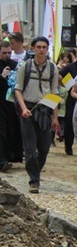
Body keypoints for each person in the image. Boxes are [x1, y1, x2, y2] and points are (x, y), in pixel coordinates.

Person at [14, 36, 60, 193]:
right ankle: (34, 180)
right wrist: (23, 109)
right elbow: (18, 89)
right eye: (39, 47)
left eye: (44, 47)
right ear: (33, 48)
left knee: (45, 147)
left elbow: (54, 93)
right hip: (28, 108)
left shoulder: (53, 68)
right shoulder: (25, 67)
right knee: (30, 148)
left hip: (45, 109)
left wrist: (55, 117)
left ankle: (35, 171)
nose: (41, 50)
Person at [0, 41, 22, 169]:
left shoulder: (14, 65)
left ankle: (12, 155)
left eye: (9, 52)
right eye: (4, 53)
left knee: (12, 129)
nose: (7, 55)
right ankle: (2, 160)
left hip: (11, 104)